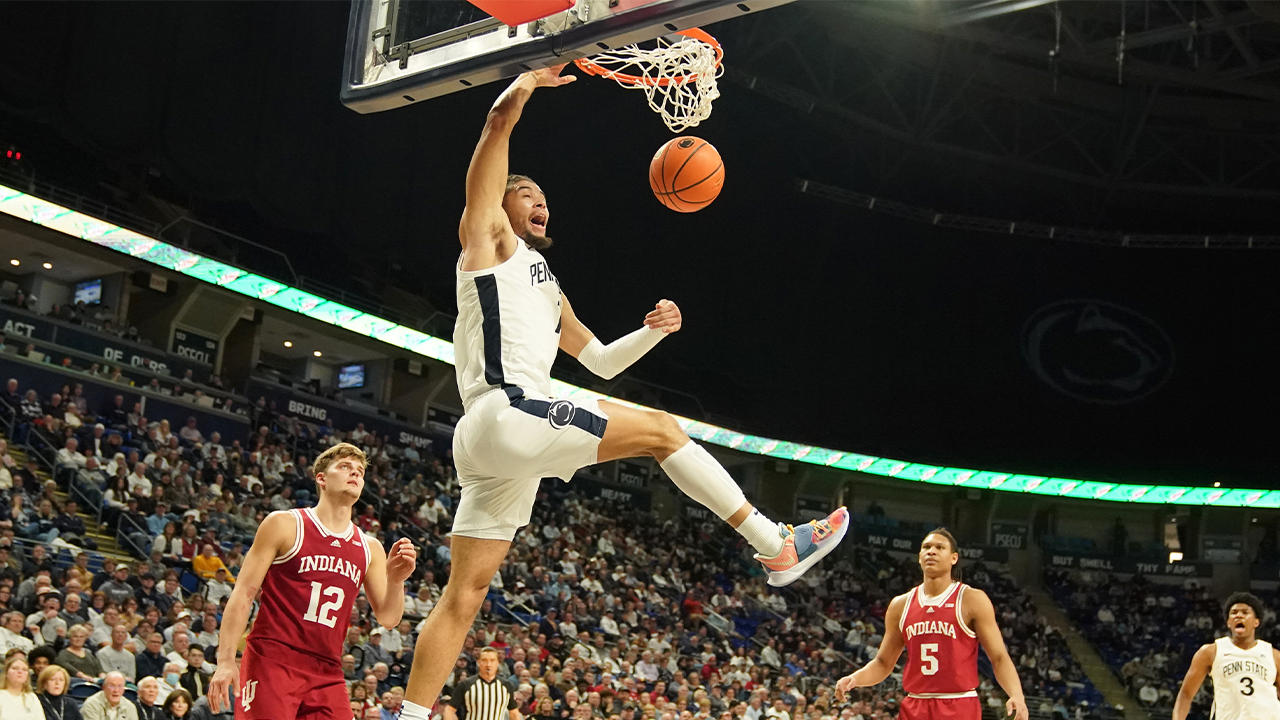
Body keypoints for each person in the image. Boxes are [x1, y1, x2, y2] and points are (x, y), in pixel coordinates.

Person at [401, 64, 848, 720]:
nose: (537, 200)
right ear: (501, 204)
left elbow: (603, 363)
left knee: (463, 599)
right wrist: (524, 85)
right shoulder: (487, 242)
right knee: (666, 429)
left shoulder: (546, 283)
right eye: (525, 191)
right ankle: (776, 545)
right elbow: (496, 127)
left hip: (490, 438)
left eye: (541, 195)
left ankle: (406, 715)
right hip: (508, 409)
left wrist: (649, 332)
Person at [208, 443, 416, 720]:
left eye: (360, 471)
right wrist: (225, 661)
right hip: (273, 658)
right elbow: (243, 594)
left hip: (328, 669)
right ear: (321, 478)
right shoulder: (284, 524)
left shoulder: (370, 547)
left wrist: (396, 580)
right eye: (344, 467)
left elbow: (389, 618)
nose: (354, 474)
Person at [835, 529, 1028, 720]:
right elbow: (883, 663)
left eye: (939, 547)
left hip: (958, 703)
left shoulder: (971, 599)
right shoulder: (900, 605)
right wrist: (855, 679)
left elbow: (999, 657)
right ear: (919, 557)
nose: (931, 551)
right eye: (926, 547)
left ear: (954, 558)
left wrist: (1016, 694)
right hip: (915, 704)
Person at [1173, 592, 1280, 720]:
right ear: (1229, 622)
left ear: (1256, 622)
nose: (1239, 616)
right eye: (1234, 613)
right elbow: (1186, 694)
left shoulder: (1273, 655)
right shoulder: (1211, 652)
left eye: (1245, 613)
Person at [445, 647, 520, 720]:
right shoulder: (466, 684)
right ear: (478, 662)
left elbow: (513, 713)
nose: (488, 664)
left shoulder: (506, 686)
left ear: (497, 663)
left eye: (492, 660)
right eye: (484, 660)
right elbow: (449, 710)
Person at [1, 656, 45, 720]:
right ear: (6, 673)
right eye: (15, 668)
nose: (20, 671)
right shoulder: (1, 696)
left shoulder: (32, 698)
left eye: (24, 669)